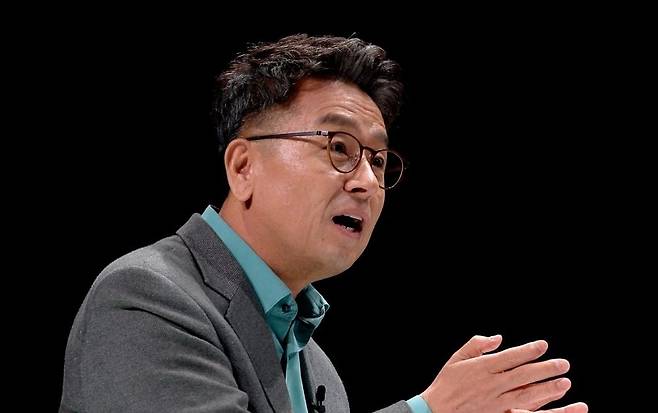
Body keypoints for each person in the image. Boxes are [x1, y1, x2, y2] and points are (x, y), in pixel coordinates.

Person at [60, 34, 588, 413]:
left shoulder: (321, 373)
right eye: (338, 147)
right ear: (243, 167)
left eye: (378, 161)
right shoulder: (147, 298)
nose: (366, 182)